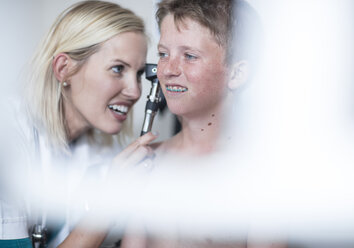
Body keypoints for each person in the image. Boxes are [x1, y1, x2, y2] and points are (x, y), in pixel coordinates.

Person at [0, 1, 157, 247]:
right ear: (64, 69)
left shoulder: (108, 154)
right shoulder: (7, 138)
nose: (135, 91)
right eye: (117, 69)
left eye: (138, 73)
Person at [118, 0, 268, 247]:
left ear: (237, 74)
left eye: (189, 56)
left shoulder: (259, 169)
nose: (167, 70)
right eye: (163, 54)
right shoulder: (147, 162)